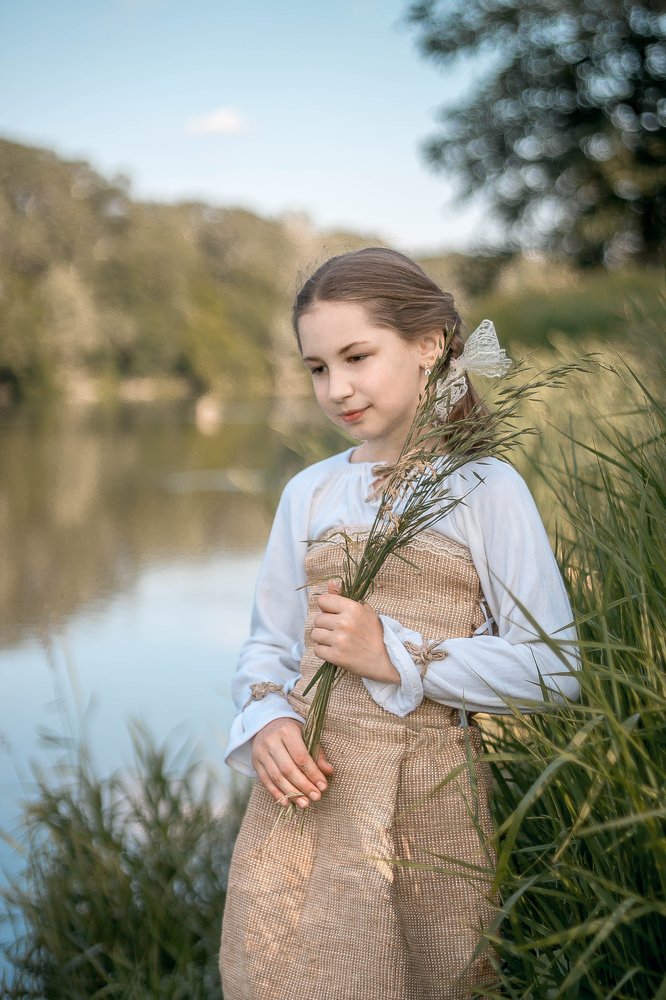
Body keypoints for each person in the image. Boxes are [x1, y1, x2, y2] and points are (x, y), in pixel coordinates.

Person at [219, 247, 579, 1000]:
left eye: (356, 356)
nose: (337, 388)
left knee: (424, 976)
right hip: (304, 800)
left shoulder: (484, 485)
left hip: (427, 806)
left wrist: (395, 653)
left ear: (428, 346)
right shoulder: (310, 494)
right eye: (317, 367)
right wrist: (265, 719)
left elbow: (555, 670)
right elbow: (268, 646)